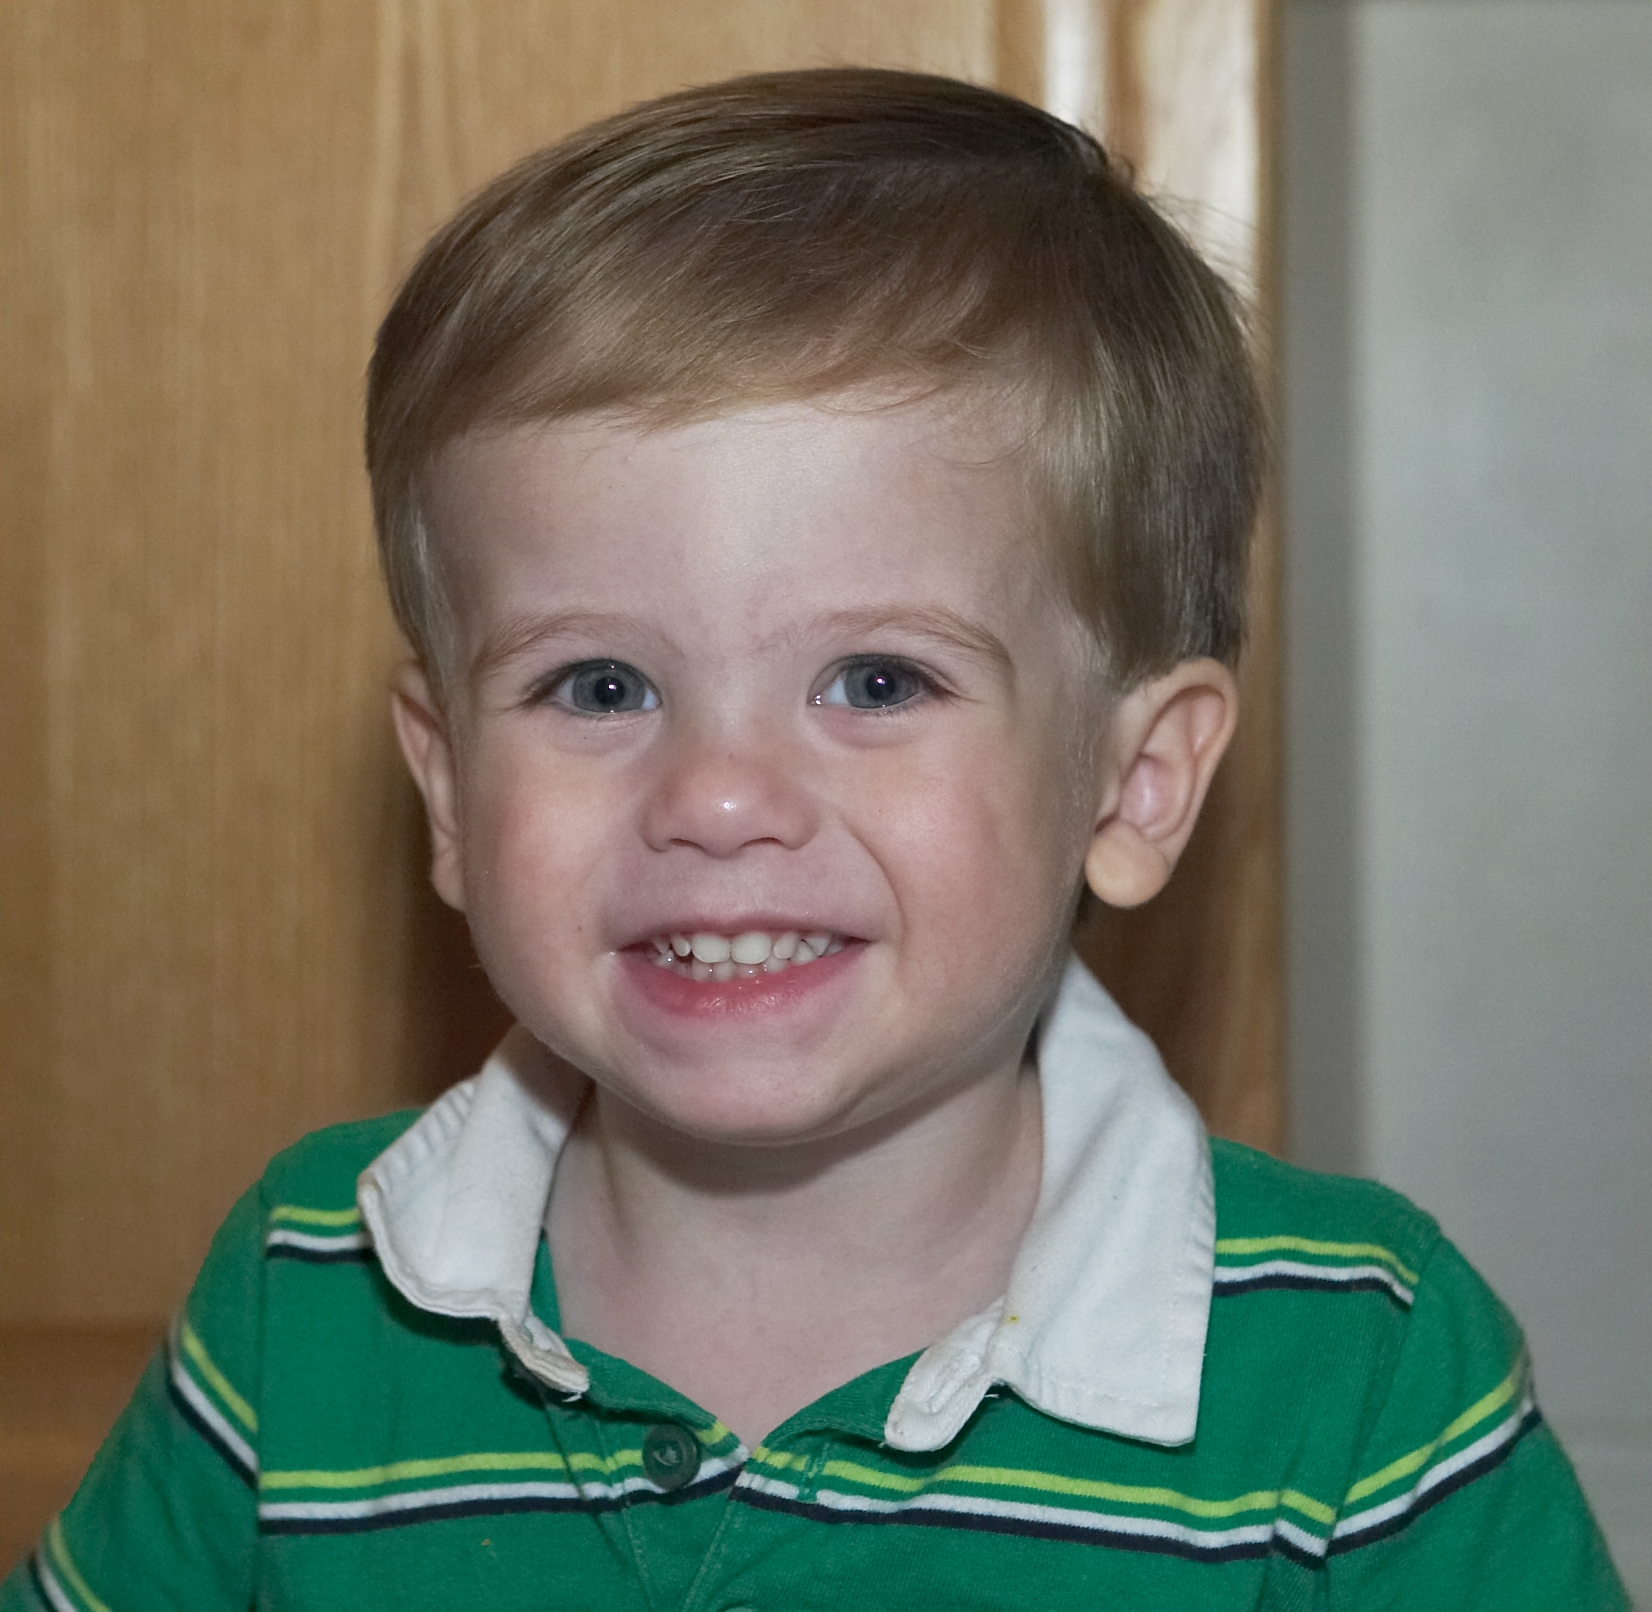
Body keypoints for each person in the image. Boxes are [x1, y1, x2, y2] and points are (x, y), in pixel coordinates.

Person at [3, 68, 1626, 1611]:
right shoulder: (307, 1295)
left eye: (875, 681)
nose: (717, 798)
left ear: (1135, 784)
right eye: (600, 684)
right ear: (446, 790)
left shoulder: (1363, 1378)